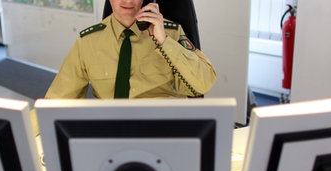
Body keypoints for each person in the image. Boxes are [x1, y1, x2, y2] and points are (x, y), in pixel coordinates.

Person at [45, 0, 216, 99]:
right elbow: (56, 102)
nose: (127, 0)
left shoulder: (171, 33)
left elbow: (203, 85)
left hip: (163, 134)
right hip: (111, 139)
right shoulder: (87, 43)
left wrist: (164, 42)